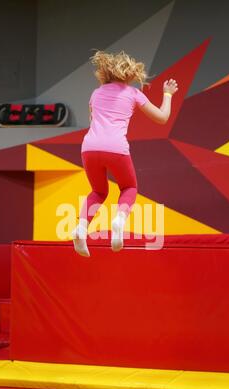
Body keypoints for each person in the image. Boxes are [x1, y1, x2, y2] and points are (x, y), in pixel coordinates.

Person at [72, 50, 178, 257]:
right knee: (129, 187)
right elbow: (162, 117)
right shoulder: (133, 93)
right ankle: (119, 222)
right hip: (116, 147)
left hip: (89, 147)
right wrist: (168, 94)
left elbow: (92, 119)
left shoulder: (96, 93)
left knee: (99, 192)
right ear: (130, 74)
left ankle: (81, 228)